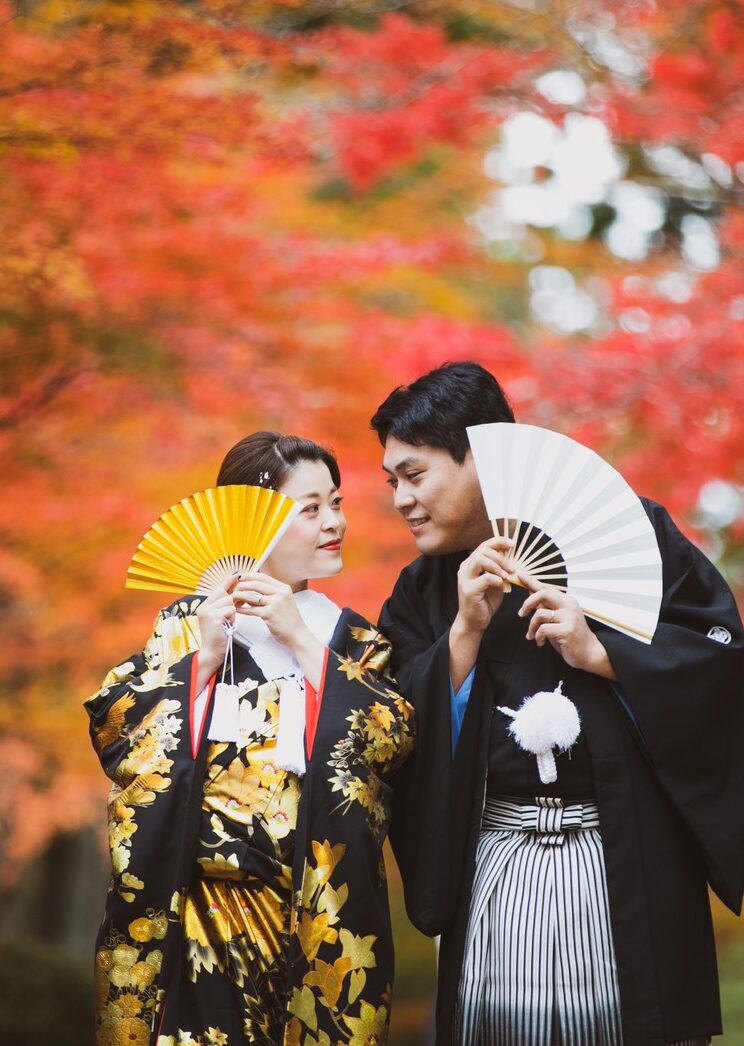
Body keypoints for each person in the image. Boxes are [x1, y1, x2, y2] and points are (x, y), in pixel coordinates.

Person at [373, 362, 744, 1046]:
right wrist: (462, 637)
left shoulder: (636, 535)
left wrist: (606, 654)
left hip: (627, 862)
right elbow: (383, 730)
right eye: (392, 480)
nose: (401, 498)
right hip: (496, 868)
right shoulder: (422, 594)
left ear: (481, 458)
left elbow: (720, 657)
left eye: (414, 474)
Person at [86, 432, 414, 1046]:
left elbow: (390, 740)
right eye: (311, 509)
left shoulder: (353, 641)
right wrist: (202, 663)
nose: (335, 522)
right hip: (192, 912)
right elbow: (117, 731)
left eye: (336, 503)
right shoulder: (187, 627)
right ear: (251, 519)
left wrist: (305, 646)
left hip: (312, 909)